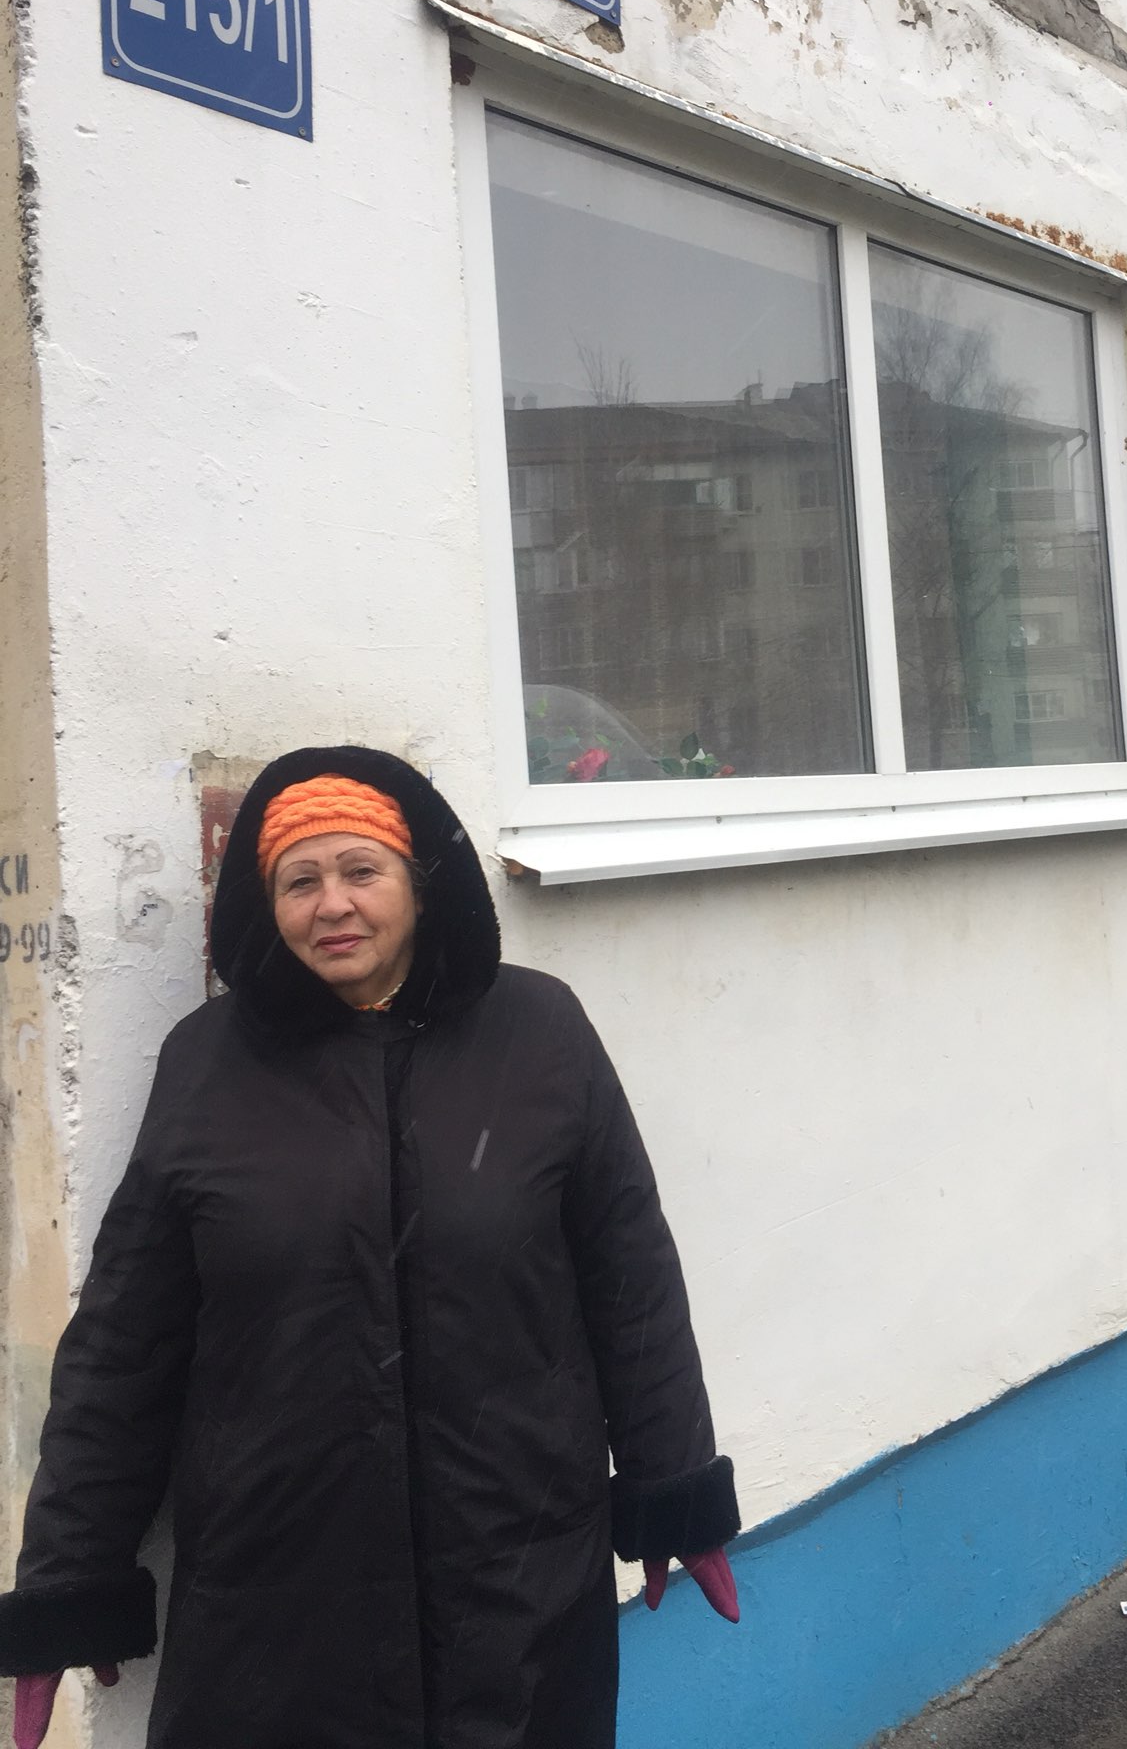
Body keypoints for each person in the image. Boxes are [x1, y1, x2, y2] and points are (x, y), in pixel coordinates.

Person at [0, 746, 740, 1749]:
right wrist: (69, 1577)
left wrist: (672, 1491)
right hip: (281, 1597)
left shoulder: (541, 1032)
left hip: (517, 1572)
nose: (332, 904)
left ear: (419, 885)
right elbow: (127, 1337)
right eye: (299, 881)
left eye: (361, 870)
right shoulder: (208, 1064)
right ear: (266, 905)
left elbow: (631, 1276)